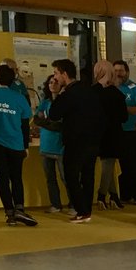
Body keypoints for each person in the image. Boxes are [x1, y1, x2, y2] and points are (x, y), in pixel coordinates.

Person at [0, 64, 38, 227]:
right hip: (16, 143)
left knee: (2, 178)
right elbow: (25, 123)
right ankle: (20, 207)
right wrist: (26, 144)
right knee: (16, 177)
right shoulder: (19, 98)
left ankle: (9, 212)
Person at [48, 58, 103, 224]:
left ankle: (81, 209)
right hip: (92, 141)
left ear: (64, 74)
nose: (55, 77)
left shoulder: (68, 94)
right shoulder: (88, 91)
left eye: (56, 73)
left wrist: (55, 94)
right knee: (88, 176)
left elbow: (54, 114)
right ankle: (86, 210)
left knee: (71, 175)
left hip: (75, 141)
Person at [91, 60, 127, 210]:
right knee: (109, 164)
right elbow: (124, 117)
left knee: (108, 165)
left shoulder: (93, 92)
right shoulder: (118, 94)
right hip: (114, 134)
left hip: (97, 133)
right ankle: (109, 195)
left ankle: (106, 195)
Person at [114, 60, 136, 205]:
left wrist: (124, 110)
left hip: (132, 132)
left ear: (127, 72)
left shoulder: (134, 88)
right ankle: (125, 195)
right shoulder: (112, 87)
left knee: (134, 164)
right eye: (115, 70)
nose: (118, 73)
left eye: (121, 70)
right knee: (121, 166)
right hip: (117, 132)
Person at [35, 74, 66, 213]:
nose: (52, 84)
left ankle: (74, 204)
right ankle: (55, 203)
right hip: (46, 144)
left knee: (66, 177)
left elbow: (61, 124)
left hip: (60, 145)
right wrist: (50, 123)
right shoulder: (45, 102)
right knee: (50, 178)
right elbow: (37, 119)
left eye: (56, 82)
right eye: (50, 82)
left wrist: (46, 122)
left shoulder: (64, 102)